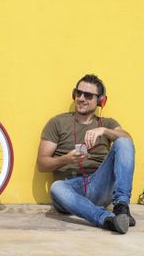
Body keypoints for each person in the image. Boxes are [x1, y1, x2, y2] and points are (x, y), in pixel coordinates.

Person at [36, 74, 136, 234]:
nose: (81, 98)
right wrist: (66, 158)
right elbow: (42, 164)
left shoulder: (107, 123)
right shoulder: (57, 123)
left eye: (88, 95)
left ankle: (122, 208)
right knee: (56, 187)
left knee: (124, 141)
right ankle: (106, 219)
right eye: (78, 93)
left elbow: (128, 140)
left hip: (99, 184)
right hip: (70, 190)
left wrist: (104, 131)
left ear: (101, 100)